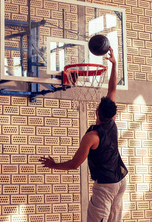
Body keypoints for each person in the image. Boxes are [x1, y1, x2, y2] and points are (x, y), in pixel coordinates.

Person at [39, 46, 128, 222]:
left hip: (106, 186)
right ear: (111, 114)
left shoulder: (91, 137)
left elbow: (74, 164)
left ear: (96, 112)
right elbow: (112, 89)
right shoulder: (112, 121)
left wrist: (53, 165)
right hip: (121, 180)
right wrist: (114, 64)